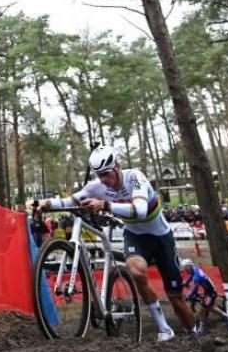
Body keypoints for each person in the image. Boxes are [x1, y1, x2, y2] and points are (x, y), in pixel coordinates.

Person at [26, 145, 197, 341]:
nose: (104, 180)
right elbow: (68, 201)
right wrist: (45, 204)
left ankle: (194, 333)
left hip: (161, 238)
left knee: (176, 299)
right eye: (100, 176)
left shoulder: (135, 178)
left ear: (118, 166)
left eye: (107, 174)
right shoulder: (96, 187)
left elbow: (140, 210)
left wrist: (105, 205)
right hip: (135, 236)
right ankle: (164, 329)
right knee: (137, 271)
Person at [181, 259, 228, 333]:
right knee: (210, 307)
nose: (185, 270)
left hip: (211, 293)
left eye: (185, 268)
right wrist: (186, 282)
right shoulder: (194, 269)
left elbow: (194, 289)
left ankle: (201, 328)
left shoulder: (197, 276)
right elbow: (191, 277)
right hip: (208, 291)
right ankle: (226, 316)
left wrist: (189, 295)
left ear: (188, 267)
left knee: (203, 308)